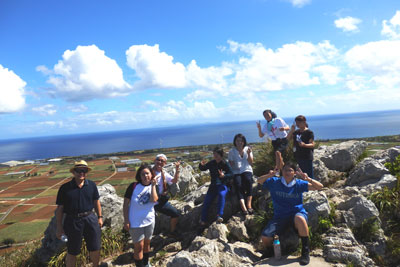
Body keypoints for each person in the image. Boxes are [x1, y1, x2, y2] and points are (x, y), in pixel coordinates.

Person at [257, 162, 323, 265]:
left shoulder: (299, 184)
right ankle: (270, 251)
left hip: (296, 214)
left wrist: (308, 179)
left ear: (295, 173)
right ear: (281, 172)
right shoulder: (274, 182)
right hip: (279, 217)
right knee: (265, 237)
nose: (287, 172)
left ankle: (305, 251)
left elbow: (319, 187)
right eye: (285, 170)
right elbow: (259, 181)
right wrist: (269, 175)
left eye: (290, 170)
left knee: (300, 218)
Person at [55, 160, 103, 267]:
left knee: (95, 247)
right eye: (79, 170)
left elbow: (96, 202)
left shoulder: (91, 185)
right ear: (74, 172)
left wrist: (100, 217)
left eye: (84, 170)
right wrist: (59, 227)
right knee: (72, 251)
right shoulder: (65, 188)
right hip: (72, 221)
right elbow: (60, 209)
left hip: (90, 218)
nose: (82, 173)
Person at [123, 163, 158, 267]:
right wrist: (126, 220)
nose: (145, 176)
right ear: (139, 176)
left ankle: (146, 263)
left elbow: (154, 199)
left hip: (150, 221)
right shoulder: (133, 186)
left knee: (147, 244)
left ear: (151, 174)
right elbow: (125, 205)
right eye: (143, 174)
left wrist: (153, 186)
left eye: (147, 173)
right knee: (139, 247)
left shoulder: (154, 187)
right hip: (135, 222)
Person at [199, 147, 233, 225]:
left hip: (223, 184)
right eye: (214, 154)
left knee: (221, 195)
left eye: (216, 154)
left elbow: (231, 174)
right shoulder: (212, 163)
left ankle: (219, 216)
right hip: (213, 185)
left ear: (221, 155)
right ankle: (203, 220)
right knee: (207, 200)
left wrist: (224, 176)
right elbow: (203, 168)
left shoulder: (225, 163)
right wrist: (201, 165)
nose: (215, 156)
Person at [152, 154, 181, 236]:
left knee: (175, 214)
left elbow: (174, 181)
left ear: (165, 163)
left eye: (162, 161)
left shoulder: (163, 173)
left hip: (160, 201)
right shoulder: (148, 172)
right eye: (158, 160)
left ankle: (172, 232)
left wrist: (177, 169)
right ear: (155, 160)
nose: (160, 162)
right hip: (149, 202)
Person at [256, 109, 290, 175]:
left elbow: (288, 127)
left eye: (267, 114)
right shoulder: (266, 125)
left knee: (278, 153)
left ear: (271, 114)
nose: (266, 116)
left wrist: (284, 129)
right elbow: (261, 135)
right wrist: (259, 128)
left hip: (283, 140)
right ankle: (283, 171)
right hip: (275, 142)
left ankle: (277, 169)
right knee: (280, 159)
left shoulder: (278, 120)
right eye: (264, 115)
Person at [228, 133, 254, 215]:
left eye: (241, 141)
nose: (239, 142)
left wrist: (249, 154)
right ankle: (243, 207)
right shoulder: (232, 151)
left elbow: (251, 162)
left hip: (246, 169)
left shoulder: (247, 149)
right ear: (235, 142)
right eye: (238, 141)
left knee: (248, 180)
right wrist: (230, 163)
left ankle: (249, 204)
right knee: (238, 184)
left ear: (244, 142)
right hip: (236, 171)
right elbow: (230, 165)